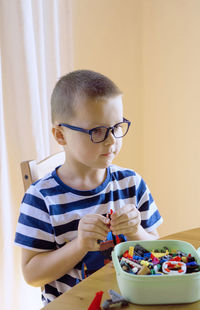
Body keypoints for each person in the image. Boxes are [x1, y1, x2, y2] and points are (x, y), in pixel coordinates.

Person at [15, 70, 163, 305]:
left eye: (117, 126)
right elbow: (32, 275)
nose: (112, 139)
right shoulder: (42, 198)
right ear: (60, 135)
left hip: (129, 301)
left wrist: (137, 233)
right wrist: (80, 245)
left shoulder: (131, 183)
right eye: (97, 131)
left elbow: (158, 252)